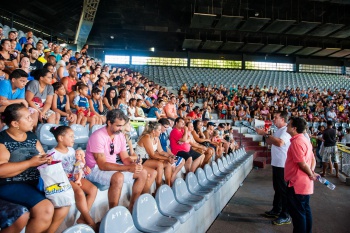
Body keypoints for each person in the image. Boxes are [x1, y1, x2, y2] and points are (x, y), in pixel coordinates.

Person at [0, 103, 70, 233]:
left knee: (63, 201)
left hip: (36, 181)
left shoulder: (31, 137)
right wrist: (29, 163)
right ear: (15, 123)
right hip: (10, 184)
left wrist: (46, 159)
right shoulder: (3, 140)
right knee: (45, 208)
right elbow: (1, 171)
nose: (32, 119)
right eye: (27, 117)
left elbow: (41, 155)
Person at [84, 109, 149, 212]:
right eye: (118, 126)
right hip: (94, 169)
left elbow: (125, 158)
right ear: (109, 122)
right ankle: (113, 212)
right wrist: (128, 168)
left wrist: (134, 164)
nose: (121, 128)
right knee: (118, 177)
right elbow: (102, 165)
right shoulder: (97, 136)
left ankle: (132, 207)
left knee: (143, 172)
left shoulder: (120, 136)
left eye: (122, 125)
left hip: (111, 166)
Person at [47, 126, 97, 230]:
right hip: (63, 180)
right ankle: (89, 221)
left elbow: (76, 163)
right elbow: (50, 173)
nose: (73, 139)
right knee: (79, 192)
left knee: (93, 189)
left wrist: (84, 167)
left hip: (74, 176)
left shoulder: (71, 150)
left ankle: (82, 218)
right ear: (61, 138)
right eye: (71, 136)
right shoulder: (52, 154)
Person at [256, 111, 291, 225]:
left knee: (283, 190)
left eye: (276, 118)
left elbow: (280, 143)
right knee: (277, 189)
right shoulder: (278, 130)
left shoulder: (286, 130)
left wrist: (266, 134)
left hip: (282, 164)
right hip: (277, 163)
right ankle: (277, 209)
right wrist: (264, 134)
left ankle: (286, 215)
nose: (273, 119)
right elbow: (270, 141)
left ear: (283, 119)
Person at [285, 116, 317, 233]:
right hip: (305, 183)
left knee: (298, 214)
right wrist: (311, 172)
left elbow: (302, 164)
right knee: (305, 211)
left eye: (288, 125)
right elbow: (313, 160)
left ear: (294, 128)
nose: (287, 126)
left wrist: (310, 174)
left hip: (297, 183)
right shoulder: (305, 140)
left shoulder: (297, 142)